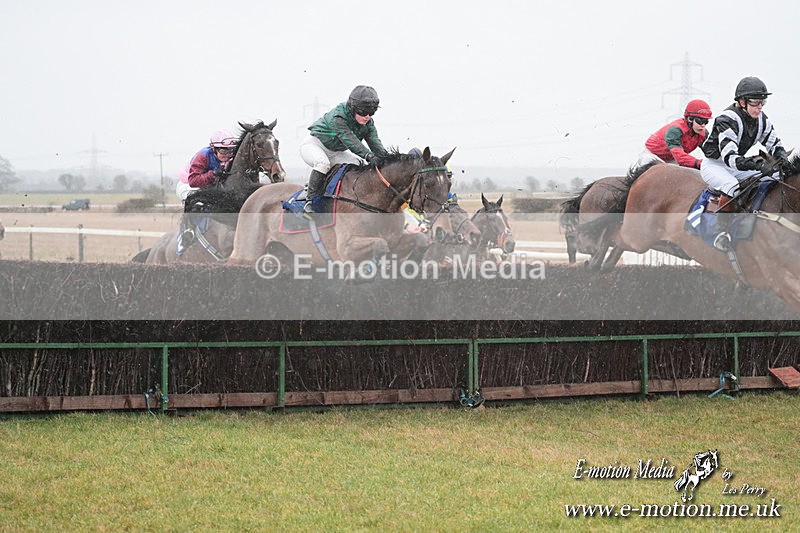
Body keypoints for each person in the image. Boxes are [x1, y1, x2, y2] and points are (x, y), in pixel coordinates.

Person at [700, 76, 791, 250]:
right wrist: (758, 164)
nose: (760, 107)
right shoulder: (727, 120)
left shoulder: (762, 120)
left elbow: (775, 145)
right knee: (732, 187)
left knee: (776, 176)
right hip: (715, 165)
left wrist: (783, 160)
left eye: (762, 102)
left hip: (735, 165)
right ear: (742, 102)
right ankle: (722, 232)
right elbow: (731, 159)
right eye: (756, 102)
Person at [300, 85, 389, 214]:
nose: (367, 117)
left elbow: (375, 143)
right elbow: (351, 141)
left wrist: (387, 160)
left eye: (372, 113)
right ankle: (310, 201)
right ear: (353, 108)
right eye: (364, 112)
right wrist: (369, 156)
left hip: (336, 152)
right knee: (322, 163)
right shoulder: (339, 117)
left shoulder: (368, 123)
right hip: (314, 145)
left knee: (359, 165)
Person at [641, 99, 712, 169]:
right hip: (652, 155)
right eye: (700, 121)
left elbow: (712, 153)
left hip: (671, 159)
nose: (703, 125)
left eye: (706, 121)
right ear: (690, 119)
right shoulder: (675, 130)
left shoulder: (703, 133)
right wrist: (698, 163)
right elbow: (680, 157)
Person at [175, 129, 239, 201]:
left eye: (230, 151)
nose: (227, 155)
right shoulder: (203, 156)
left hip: (207, 185)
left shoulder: (230, 158)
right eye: (223, 151)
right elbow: (193, 181)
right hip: (187, 185)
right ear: (214, 149)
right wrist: (213, 174)